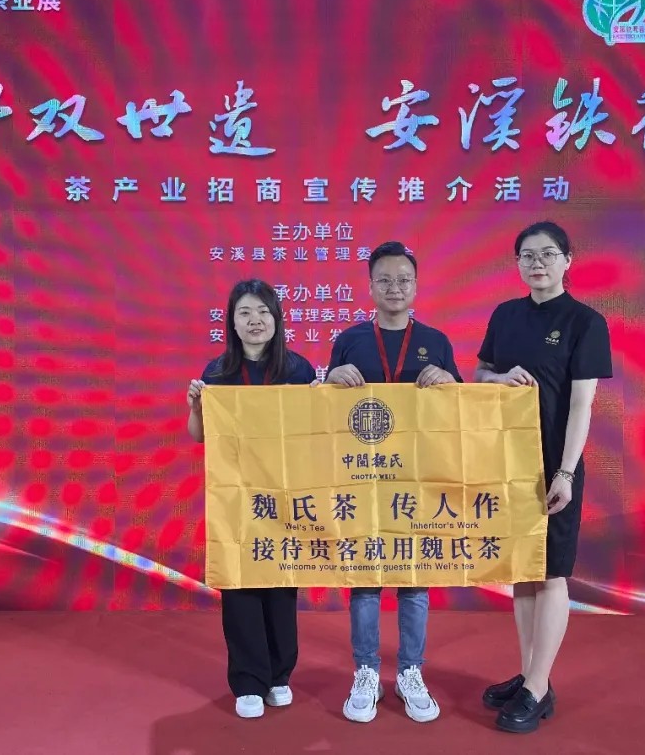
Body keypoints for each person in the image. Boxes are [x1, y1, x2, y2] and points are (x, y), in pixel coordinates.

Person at [474, 221, 613, 734]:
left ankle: (537, 687)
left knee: (552, 573)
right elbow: (479, 375)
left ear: (567, 260)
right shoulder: (505, 316)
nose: (538, 263)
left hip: (555, 466)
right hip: (509, 463)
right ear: (517, 264)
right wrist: (499, 377)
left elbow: (582, 405)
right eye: (528, 255)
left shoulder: (585, 322)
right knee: (524, 569)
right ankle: (532, 674)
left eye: (548, 254)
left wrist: (566, 472)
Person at [324, 241, 461, 724]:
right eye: (385, 280)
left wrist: (449, 381)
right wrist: (330, 379)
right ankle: (365, 671)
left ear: (416, 286)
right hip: (361, 478)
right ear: (370, 287)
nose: (394, 288)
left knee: (414, 581)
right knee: (365, 581)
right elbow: (324, 412)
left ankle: (409, 672)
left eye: (403, 280)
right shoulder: (349, 340)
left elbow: (460, 409)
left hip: (417, 477)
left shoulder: (436, 341)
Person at [186, 278, 317, 719]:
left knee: (281, 581)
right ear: (232, 322)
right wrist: (195, 406)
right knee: (240, 583)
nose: (254, 320)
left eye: (263, 312)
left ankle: (279, 675)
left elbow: (315, 433)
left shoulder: (298, 370)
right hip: (237, 496)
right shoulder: (218, 372)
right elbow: (200, 435)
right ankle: (248, 680)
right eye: (244, 313)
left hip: (284, 494)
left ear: (277, 319)